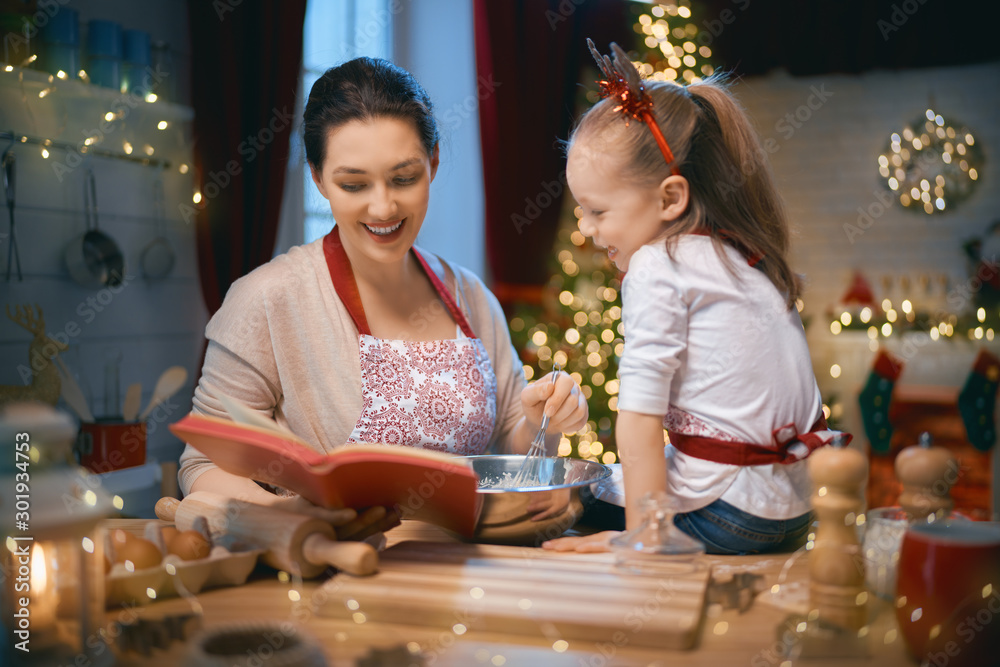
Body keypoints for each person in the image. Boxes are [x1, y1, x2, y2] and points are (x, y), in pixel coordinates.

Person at [178, 57, 588, 538]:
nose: (383, 207)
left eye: (404, 178)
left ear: (433, 162)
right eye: (354, 184)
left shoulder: (471, 295)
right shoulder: (267, 299)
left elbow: (510, 451)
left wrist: (543, 421)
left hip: (473, 577)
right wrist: (300, 520)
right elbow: (202, 464)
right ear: (317, 177)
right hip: (343, 581)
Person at [543, 42, 848, 555]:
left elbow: (638, 418)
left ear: (670, 198)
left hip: (727, 517)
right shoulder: (741, 254)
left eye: (596, 211)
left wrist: (642, 540)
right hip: (790, 512)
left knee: (559, 500)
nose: (587, 229)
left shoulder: (658, 265)